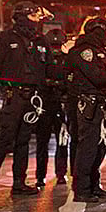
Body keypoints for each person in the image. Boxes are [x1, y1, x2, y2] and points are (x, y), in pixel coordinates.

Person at [0, 1, 48, 199]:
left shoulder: (40, 40)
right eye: (34, 16)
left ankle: (19, 183)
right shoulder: (7, 38)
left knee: (23, 141)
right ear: (23, 17)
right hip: (12, 96)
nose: (37, 20)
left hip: (32, 97)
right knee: (4, 140)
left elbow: (49, 67)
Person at [68, 17, 106, 203]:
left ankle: (94, 185)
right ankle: (82, 189)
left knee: (100, 147)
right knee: (88, 147)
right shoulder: (84, 52)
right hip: (89, 104)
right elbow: (98, 77)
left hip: (101, 104)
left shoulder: (102, 51)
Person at [34, 28, 70, 189]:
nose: (55, 50)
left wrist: (53, 83)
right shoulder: (41, 60)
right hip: (46, 104)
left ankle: (60, 174)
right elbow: (39, 81)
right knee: (43, 142)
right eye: (53, 46)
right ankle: (40, 176)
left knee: (62, 141)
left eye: (58, 46)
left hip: (59, 104)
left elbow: (69, 81)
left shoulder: (67, 60)